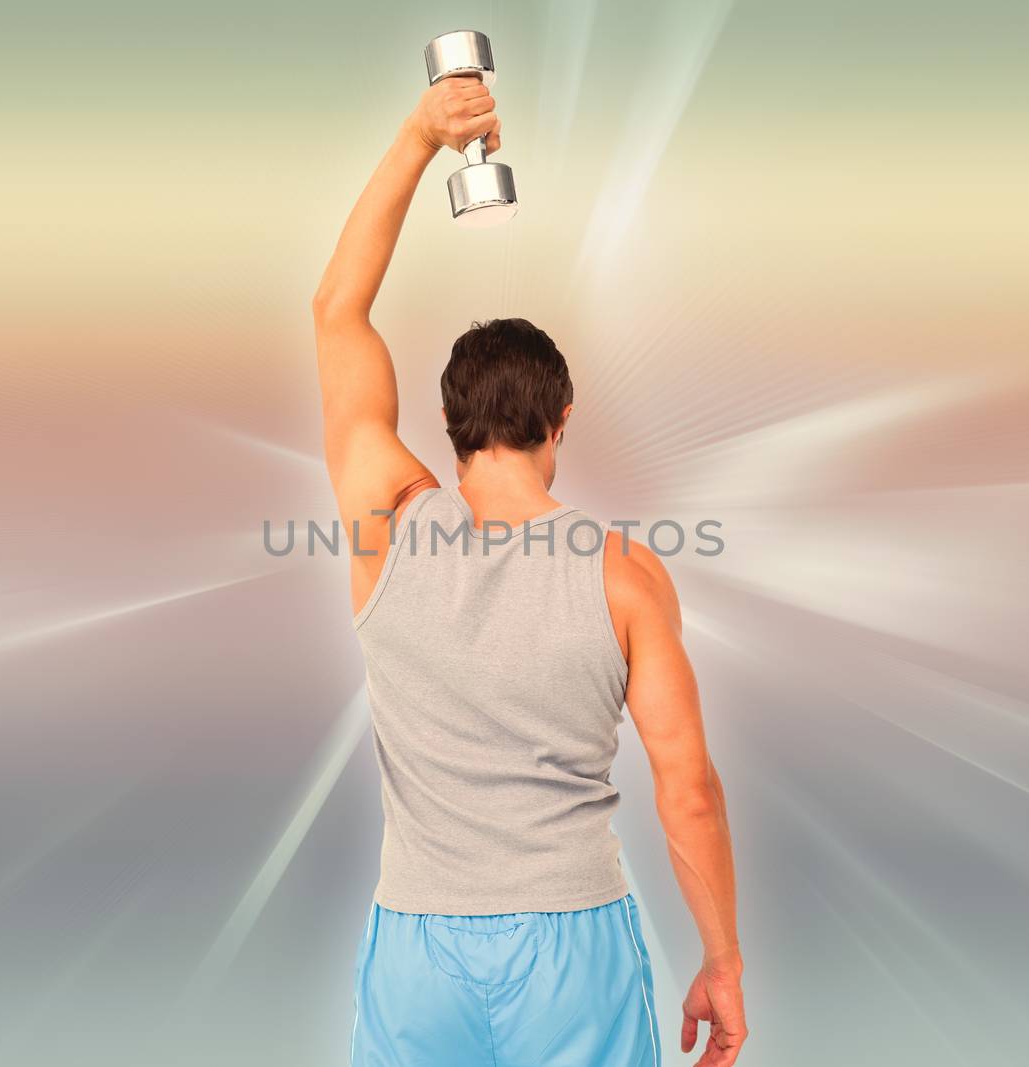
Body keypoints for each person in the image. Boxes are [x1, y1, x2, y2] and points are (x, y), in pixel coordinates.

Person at [313, 73, 747, 1067]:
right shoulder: (627, 576)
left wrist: (423, 134)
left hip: (415, 944)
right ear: (559, 423)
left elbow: (337, 309)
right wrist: (720, 959)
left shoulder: (384, 520)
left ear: (451, 430)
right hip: (573, 940)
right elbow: (687, 791)